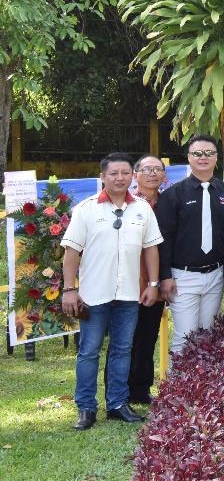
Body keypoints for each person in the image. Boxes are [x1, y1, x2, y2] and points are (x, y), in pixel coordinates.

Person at [62, 152, 163, 430]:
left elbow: (151, 248)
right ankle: (86, 407)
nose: (120, 178)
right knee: (89, 351)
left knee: (122, 350)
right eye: (113, 173)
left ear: (132, 176)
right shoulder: (87, 208)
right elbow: (71, 252)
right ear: (103, 177)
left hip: (129, 295)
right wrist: (69, 289)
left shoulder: (143, 209)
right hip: (93, 295)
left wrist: (153, 284)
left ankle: (118, 403)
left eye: (125, 173)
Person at [155, 134, 224, 357]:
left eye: (209, 153)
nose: (203, 157)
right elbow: (164, 239)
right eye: (197, 153)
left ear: (217, 157)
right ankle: (177, 391)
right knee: (185, 335)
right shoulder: (173, 195)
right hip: (182, 276)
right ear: (189, 158)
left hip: (215, 274)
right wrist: (165, 276)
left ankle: (203, 390)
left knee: (208, 336)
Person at [126, 155, 167, 406]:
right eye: (146, 169)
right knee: (124, 340)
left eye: (157, 169)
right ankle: (118, 392)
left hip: (155, 282)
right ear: (135, 175)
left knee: (147, 337)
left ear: (164, 176)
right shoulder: (126, 203)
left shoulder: (169, 204)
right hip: (127, 281)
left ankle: (141, 390)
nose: (152, 174)